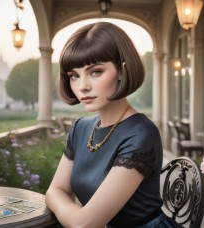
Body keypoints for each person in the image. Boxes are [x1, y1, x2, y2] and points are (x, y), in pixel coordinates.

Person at [45, 22, 182, 228]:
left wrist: (76, 217)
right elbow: (55, 191)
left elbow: (84, 224)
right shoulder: (80, 128)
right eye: (74, 75)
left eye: (96, 72)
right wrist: (77, 217)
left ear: (121, 70)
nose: (82, 86)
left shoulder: (140, 133)